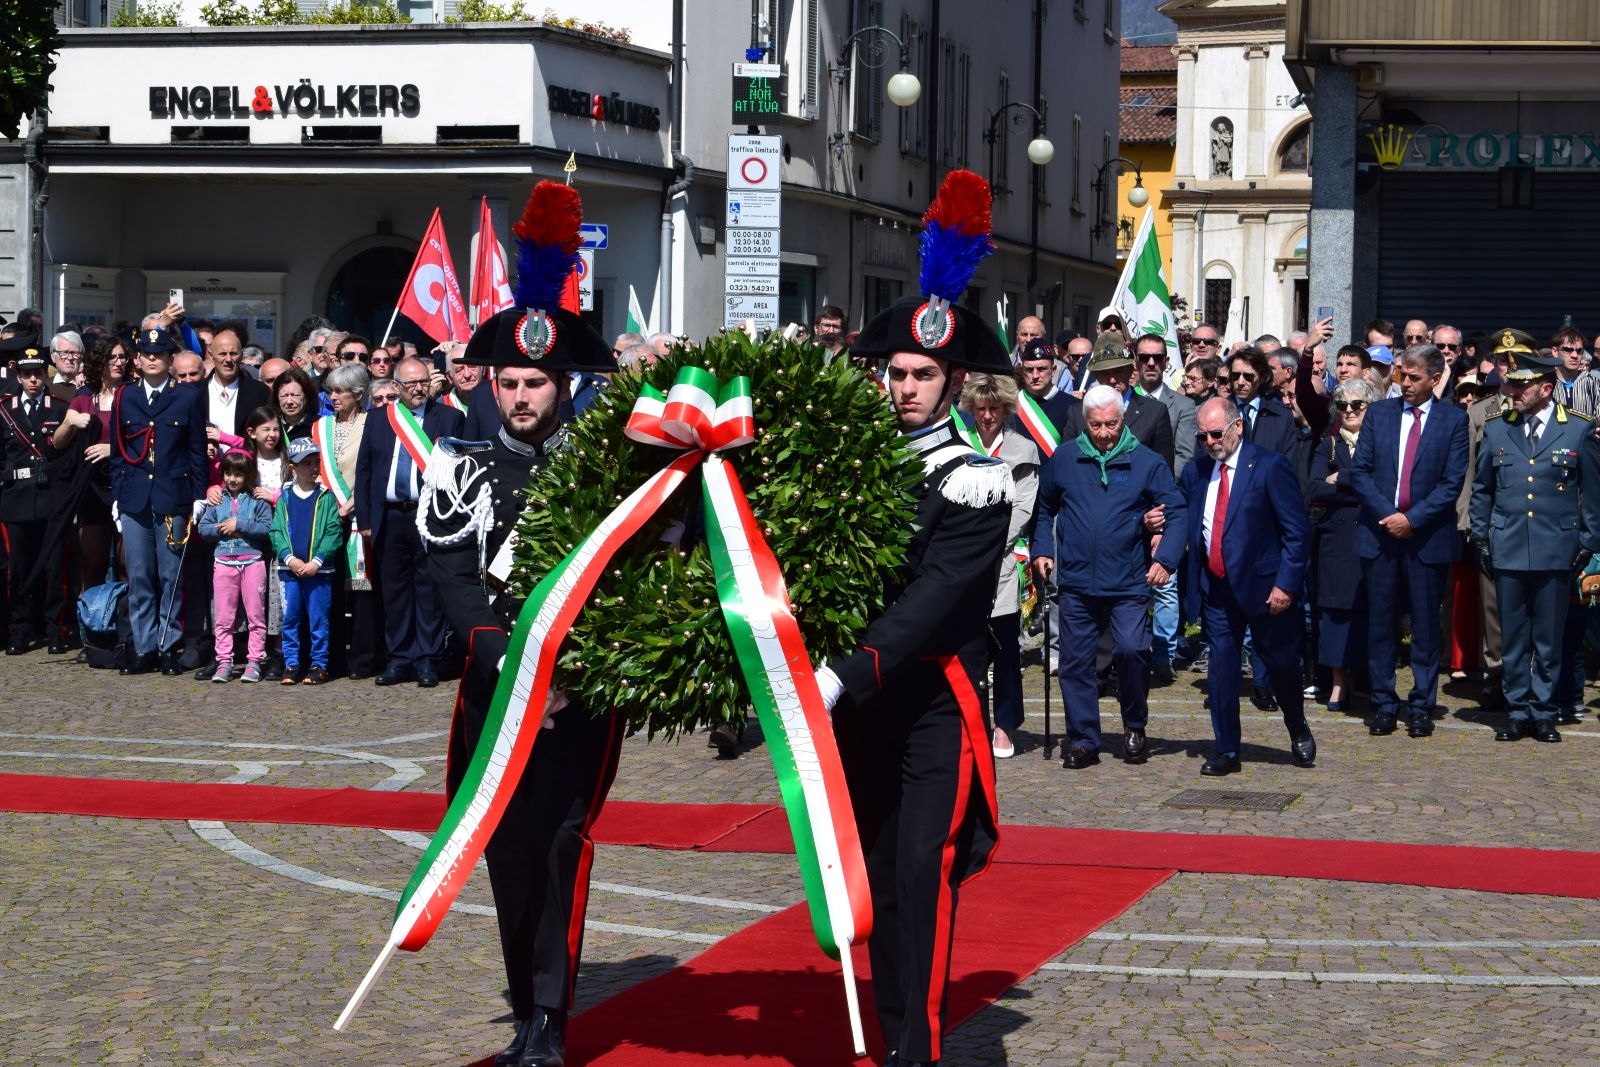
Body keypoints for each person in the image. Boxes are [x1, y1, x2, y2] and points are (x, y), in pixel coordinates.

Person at [420, 180, 623, 1067]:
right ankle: (524, 1001)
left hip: (577, 694)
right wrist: (508, 661)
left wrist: (567, 671)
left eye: (537, 381)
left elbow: (631, 579)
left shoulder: (605, 472)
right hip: (494, 691)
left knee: (560, 847)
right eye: (509, 381)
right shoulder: (460, 468)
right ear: (490, 381)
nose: (522, 396)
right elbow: (453, 578)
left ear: (562, 381)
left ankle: (552, 1014)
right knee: (503, 850)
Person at [814, 169, 1012, 1067]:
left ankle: (915, 1052)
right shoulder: (854, 466)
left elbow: (933, 599)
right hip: (863, 708)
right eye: (894, 371)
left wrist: (841, 669)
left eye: (922, 374)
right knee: (876, 883)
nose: (903, 388)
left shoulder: (976, 476)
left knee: (919, 878)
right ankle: (891, 1032)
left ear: (954, 378)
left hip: (932, 701)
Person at [1032, 383, 1185, 768]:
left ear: (1122, 420)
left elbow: (1177, 511)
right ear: (1086, 423)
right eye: (1096, 425)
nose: (1103, 433)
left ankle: (1134, 724)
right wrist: (1043, 550)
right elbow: (1044, 508)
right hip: (1077, 580)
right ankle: (1083, 738)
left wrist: (1164, 558)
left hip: (1130, 579)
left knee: (1132, 650)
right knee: (1075, 661)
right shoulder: (1065, 459)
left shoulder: (1146, 461)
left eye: (1111, 425)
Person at [1470, 337, 1600, 744]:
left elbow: (1592, 492)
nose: (1511, 392)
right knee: (1512, 637)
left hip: (1556, 547)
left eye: (1520, 386)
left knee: (1548, 637)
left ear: (1545, 389)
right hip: (1508, 544)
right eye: (1511, 384)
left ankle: (1543, 711)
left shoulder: (1577, 429)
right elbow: (1482, 490)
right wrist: (1481, 538)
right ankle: (1517, 710)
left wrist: (1590, 541)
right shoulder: (1497, 429)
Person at [1180, 397, 1315, 775]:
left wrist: (1286, 585)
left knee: (1282, 665)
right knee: (1221, 671)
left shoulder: (1269, 467)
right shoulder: (1196, 473)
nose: (1209, 441)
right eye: (1202, 435)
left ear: (1237, 427)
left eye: (1216, 433)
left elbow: (1296, 531)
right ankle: (1227, 750)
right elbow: (1190, 522)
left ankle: (1297, 724)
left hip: (1266, 589)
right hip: (1218, 589)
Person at [1349, 344, 1470, 738]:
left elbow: (1452, 482)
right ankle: (1384, 703)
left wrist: (1412, 520)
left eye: (1415, 378)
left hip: (1426, 539)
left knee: (1424, 627)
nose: (1405, 384)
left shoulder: (1452, 421)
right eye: (1402, 375)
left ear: (1436, 379)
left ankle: (1421, 705)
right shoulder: (1380, 414)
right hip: (1381, 535)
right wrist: (1390, 516)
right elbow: (1360, 471)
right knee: (1380, 623)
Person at [354, 355, 465, 688]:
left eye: (423, 382)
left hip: (430, 515)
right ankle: (399, 657)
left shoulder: (449, 418)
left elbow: (460, 471)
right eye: (411, 383)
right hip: (389, 515)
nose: (418, 389)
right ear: (396, 386)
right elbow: (365, 471)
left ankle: (427, 659)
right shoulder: (377, 419)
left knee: (429, 590)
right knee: (395, 590)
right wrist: (365, 519)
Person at [109, 326, 209, 676]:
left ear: (170, 359)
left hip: (174, 498)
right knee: (139, 576)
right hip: (134, 497)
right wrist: (116, 498)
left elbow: (196, 449)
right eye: (146, 354)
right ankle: (144, 647)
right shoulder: (124, 396)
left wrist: (198, 497)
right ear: (137, 360)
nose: (153, 359)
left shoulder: (188, 397)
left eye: (160, 353)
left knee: (171, 577)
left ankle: (169, 645)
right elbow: (118, 451)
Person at [958, 373, 1040, 759]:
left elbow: (1024, 506)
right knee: (966, 646)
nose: (987, 416)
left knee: (1006, 647)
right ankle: (969, 721)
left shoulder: (1022, 449)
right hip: (958, 560)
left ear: (1004, 409)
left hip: (1003, 561)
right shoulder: (958, 445)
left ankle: (1005, 725)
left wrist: (990, 541)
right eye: (981, 409)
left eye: (994, 408)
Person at [1309, 378, 1380, 711]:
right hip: (1336, 541)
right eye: (1343, 405)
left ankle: (1365, 681)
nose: (1349, 411)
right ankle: (1338, 684)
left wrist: (1343, 478)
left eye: (1357, 405)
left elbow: (1382, 484)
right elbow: (1315, 488)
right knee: (1335, 614)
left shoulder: (1381, 440)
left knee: (1370, 610)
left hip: (1371, 534)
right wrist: (1355, 486)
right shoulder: (1329, 442)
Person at [0, 346, 73, 653]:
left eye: (38, 374)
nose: (33, 380)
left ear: (46, 375)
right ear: (18, 376)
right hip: (15, 499)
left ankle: (54, 628)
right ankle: (20, 627)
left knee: (53, 567)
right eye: (27, 375)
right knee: (19, 567)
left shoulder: (58, 408)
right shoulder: (4, 409)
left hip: (50, 498)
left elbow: (68, 455)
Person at [317, 363, 378, 679]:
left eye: (339, 390)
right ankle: (332, 659)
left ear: (358, 394)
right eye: (330, 389)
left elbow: (374, 470)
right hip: (327, 521)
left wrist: (354, 502)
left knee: (360, 588)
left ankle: (363, 660)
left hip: (357, 520)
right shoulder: (321, 428)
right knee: (330, 592)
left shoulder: (372, 424)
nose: (333, 395)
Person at [55, 335, 126, 596]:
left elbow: (148, 440)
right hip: (93, 491)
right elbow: (59, 443)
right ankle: (93, 628)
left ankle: (126, 629)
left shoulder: (133, 394)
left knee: (126, 562)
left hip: (127, 486)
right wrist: (70, 421)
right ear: (100, 362)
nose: (119, 362)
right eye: (112, 357)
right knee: (92, 562)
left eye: (122, 357)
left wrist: (112, 450)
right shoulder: (85, 398)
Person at [270, 437, 344, 686]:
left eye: (316, 462)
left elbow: (334, 532)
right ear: (293, 467)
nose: (313, 468)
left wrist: (316, 562)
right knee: (290, 619)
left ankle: (319, 664)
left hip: (319, 572)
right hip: (289, 571)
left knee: (318, 619)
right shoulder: (284, 498)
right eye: (306, 463)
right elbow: (277, 531)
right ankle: (291, 663)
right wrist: (289, 559)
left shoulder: (326, 497)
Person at [198, 450, 272, 682]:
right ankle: (224, 662)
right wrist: (223, 528)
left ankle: (254, 662)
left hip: (252, 563)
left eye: (238, 474)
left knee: (256, 616)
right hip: (223, 563)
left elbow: (267, 528)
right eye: (228, 473)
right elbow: (203, 528)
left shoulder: (258, 500)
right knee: (223, 618)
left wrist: (239, 525)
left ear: (248, 475)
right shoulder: (217, 500)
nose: (232, 479)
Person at [1060, 335, 1175, 467]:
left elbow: (1164, 471)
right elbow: (1068, 465)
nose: (1112, 380)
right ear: (1095, 374)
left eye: (1118, 371)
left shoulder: (1155, 412)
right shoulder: (1077, 412)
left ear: (1131, 370)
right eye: (1105, 372)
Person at [243, 405, 288, 680]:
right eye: (265, 429)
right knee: (255, 595)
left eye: (275, 429)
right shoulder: (246, 461)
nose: (271, 435)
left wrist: (274, 496)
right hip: (252, 534)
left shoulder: (286, 461)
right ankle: (252, 651)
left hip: (281, 533)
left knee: (278, 595)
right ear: (252, 432)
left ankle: (280, 651)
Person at [1226, 348, 1300, 458]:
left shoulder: (1282, 417)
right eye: (1235, 376)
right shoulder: (1216, 411)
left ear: (1262, 378)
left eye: (1248, 376)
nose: (1240, 382)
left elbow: (1288, 463)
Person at [273, 365, 317, 442]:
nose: (289, 402)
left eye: (295, 395)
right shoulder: (271, 425)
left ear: (307, 396)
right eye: (284, 396)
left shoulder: (319, 426)